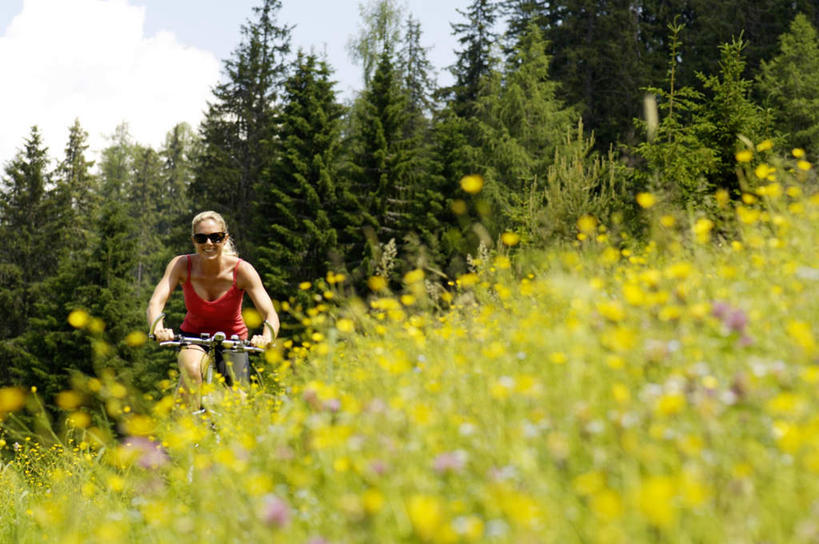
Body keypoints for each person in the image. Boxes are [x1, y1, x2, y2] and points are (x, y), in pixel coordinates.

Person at [147, 211, 279, 409]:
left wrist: (267, 337)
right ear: (193, 240)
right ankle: (184, 432)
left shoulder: (242, 271)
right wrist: (158, 328)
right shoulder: (181, 265)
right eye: (201, 238)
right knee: (192, 371)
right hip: (192, 337)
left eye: (215, 237)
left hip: (233, 340)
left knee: (239, 401)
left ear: (225, 239)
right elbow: (156, 302)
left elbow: (270, 314)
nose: (208, 243)